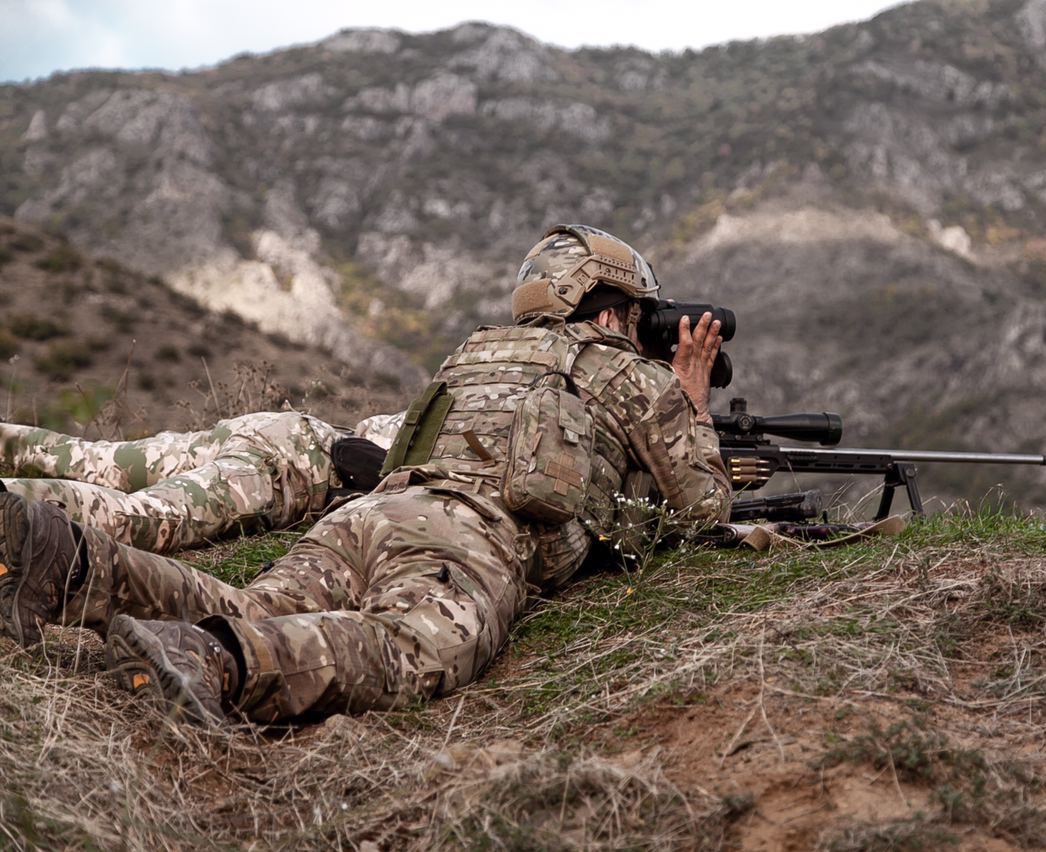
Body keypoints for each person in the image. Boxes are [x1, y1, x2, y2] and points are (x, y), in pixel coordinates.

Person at [0, 224, 730, 725]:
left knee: (251, 602)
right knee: (416, 645)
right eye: (639, 316)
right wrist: (690, 399)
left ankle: (62, 555)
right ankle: (218, 662)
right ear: (611, 313)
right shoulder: (631, 375)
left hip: (367, 513)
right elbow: (703, 510)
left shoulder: (473, 354)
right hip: (467, 536)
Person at [0, 411, 405, 554]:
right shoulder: (435, 466)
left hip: (278, 429)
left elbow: (366, 431)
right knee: (144, 516)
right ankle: (12, 503)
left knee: (90, 457)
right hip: (279, 471)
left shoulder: (428, 423)